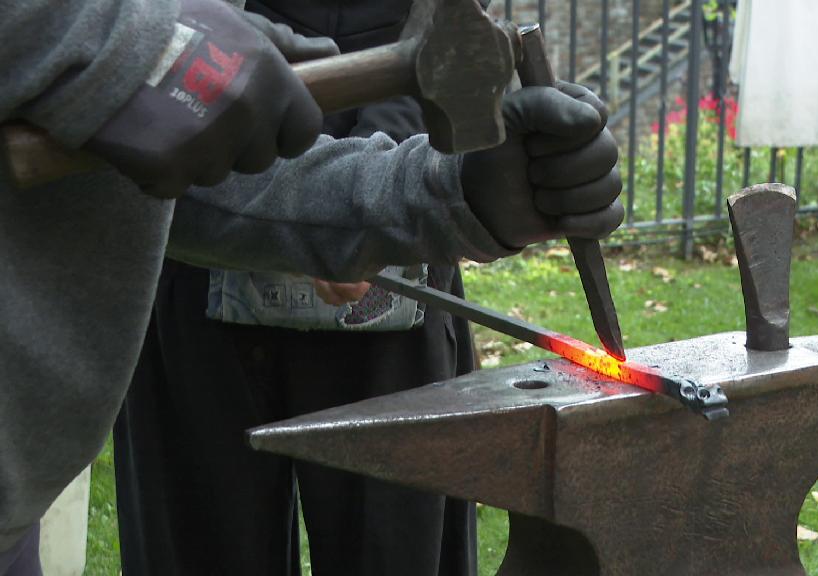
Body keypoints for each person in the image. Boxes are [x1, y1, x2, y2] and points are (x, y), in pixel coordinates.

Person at [0, 0, 623, 574]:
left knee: (389, 538)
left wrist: (424, 195)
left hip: (299, 167)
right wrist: (143, 44)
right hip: (191, 261)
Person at [112, 1, 479, 574]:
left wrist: (360, 212)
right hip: (200, 211)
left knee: (392, 545)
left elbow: (438, 23)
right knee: (200, 543)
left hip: (391, 250)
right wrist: (323, 216)